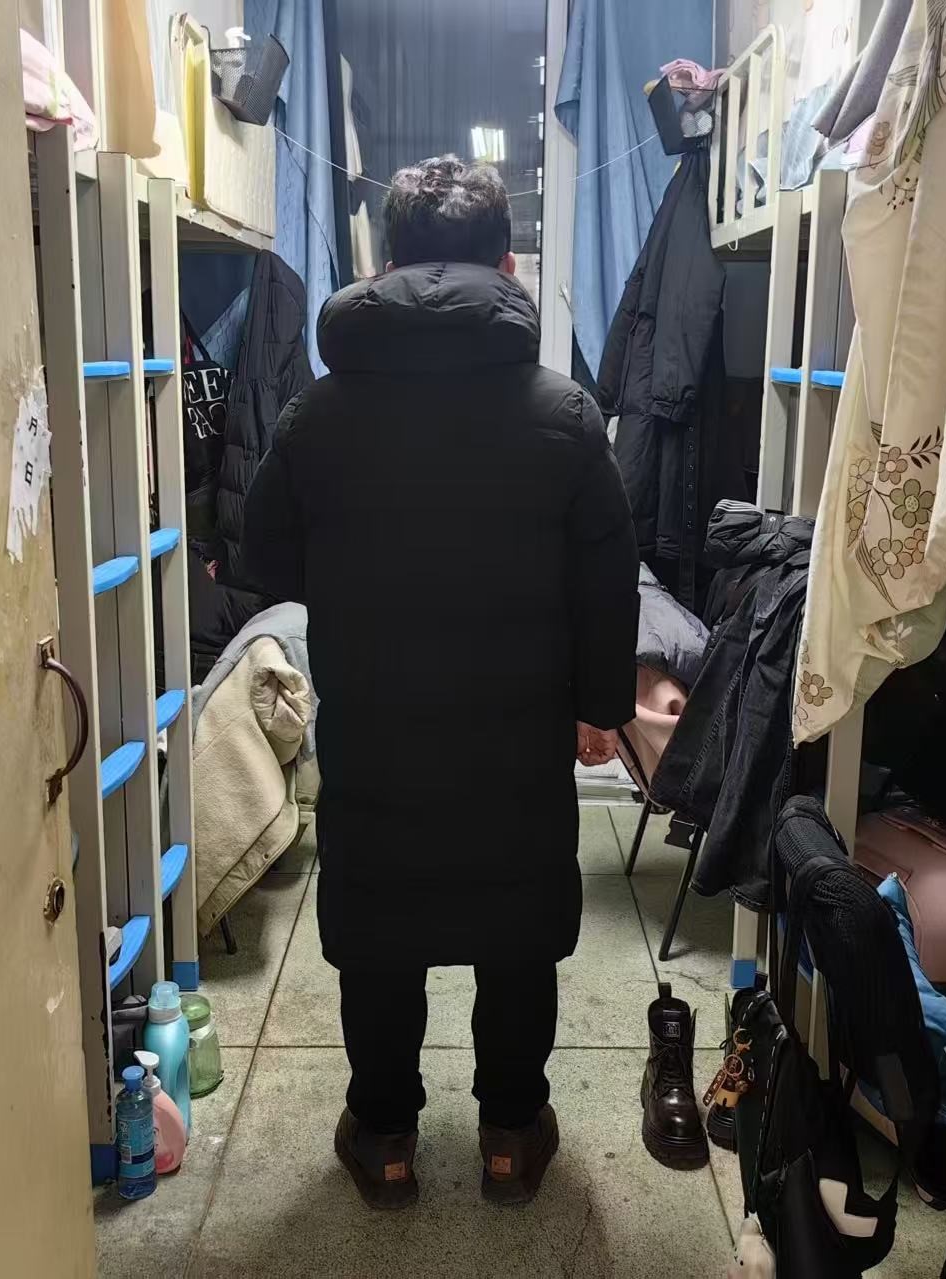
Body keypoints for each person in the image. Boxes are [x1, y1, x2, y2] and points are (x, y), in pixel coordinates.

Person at [241, 155, 638, 1209]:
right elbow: (609, 578)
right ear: (507, 267)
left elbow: (265, 560)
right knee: (516, 929)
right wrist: (601, 709)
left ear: (384, 267)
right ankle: (509, 1135)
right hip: (516, 739)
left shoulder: (317, 416)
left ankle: (384, 1139)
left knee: (380, 929)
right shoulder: (564, 414)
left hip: (378, 733)